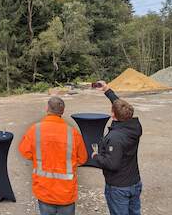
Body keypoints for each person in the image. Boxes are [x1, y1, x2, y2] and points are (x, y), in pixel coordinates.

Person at [18, 97, 87, 215]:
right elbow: (82, 159)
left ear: (47, 109)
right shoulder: (73, 133)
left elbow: (25, 152)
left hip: (44, 190)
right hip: (66, 192)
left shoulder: (35, 129)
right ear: (62, 111)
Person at [92, 81, 143, 215]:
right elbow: (120, 105)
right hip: (135, 183)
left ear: (113, 115)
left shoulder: (115, 137)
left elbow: (112, 164)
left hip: (119, 188)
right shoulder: (135, 127)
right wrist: (107, 90)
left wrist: (96, 156)